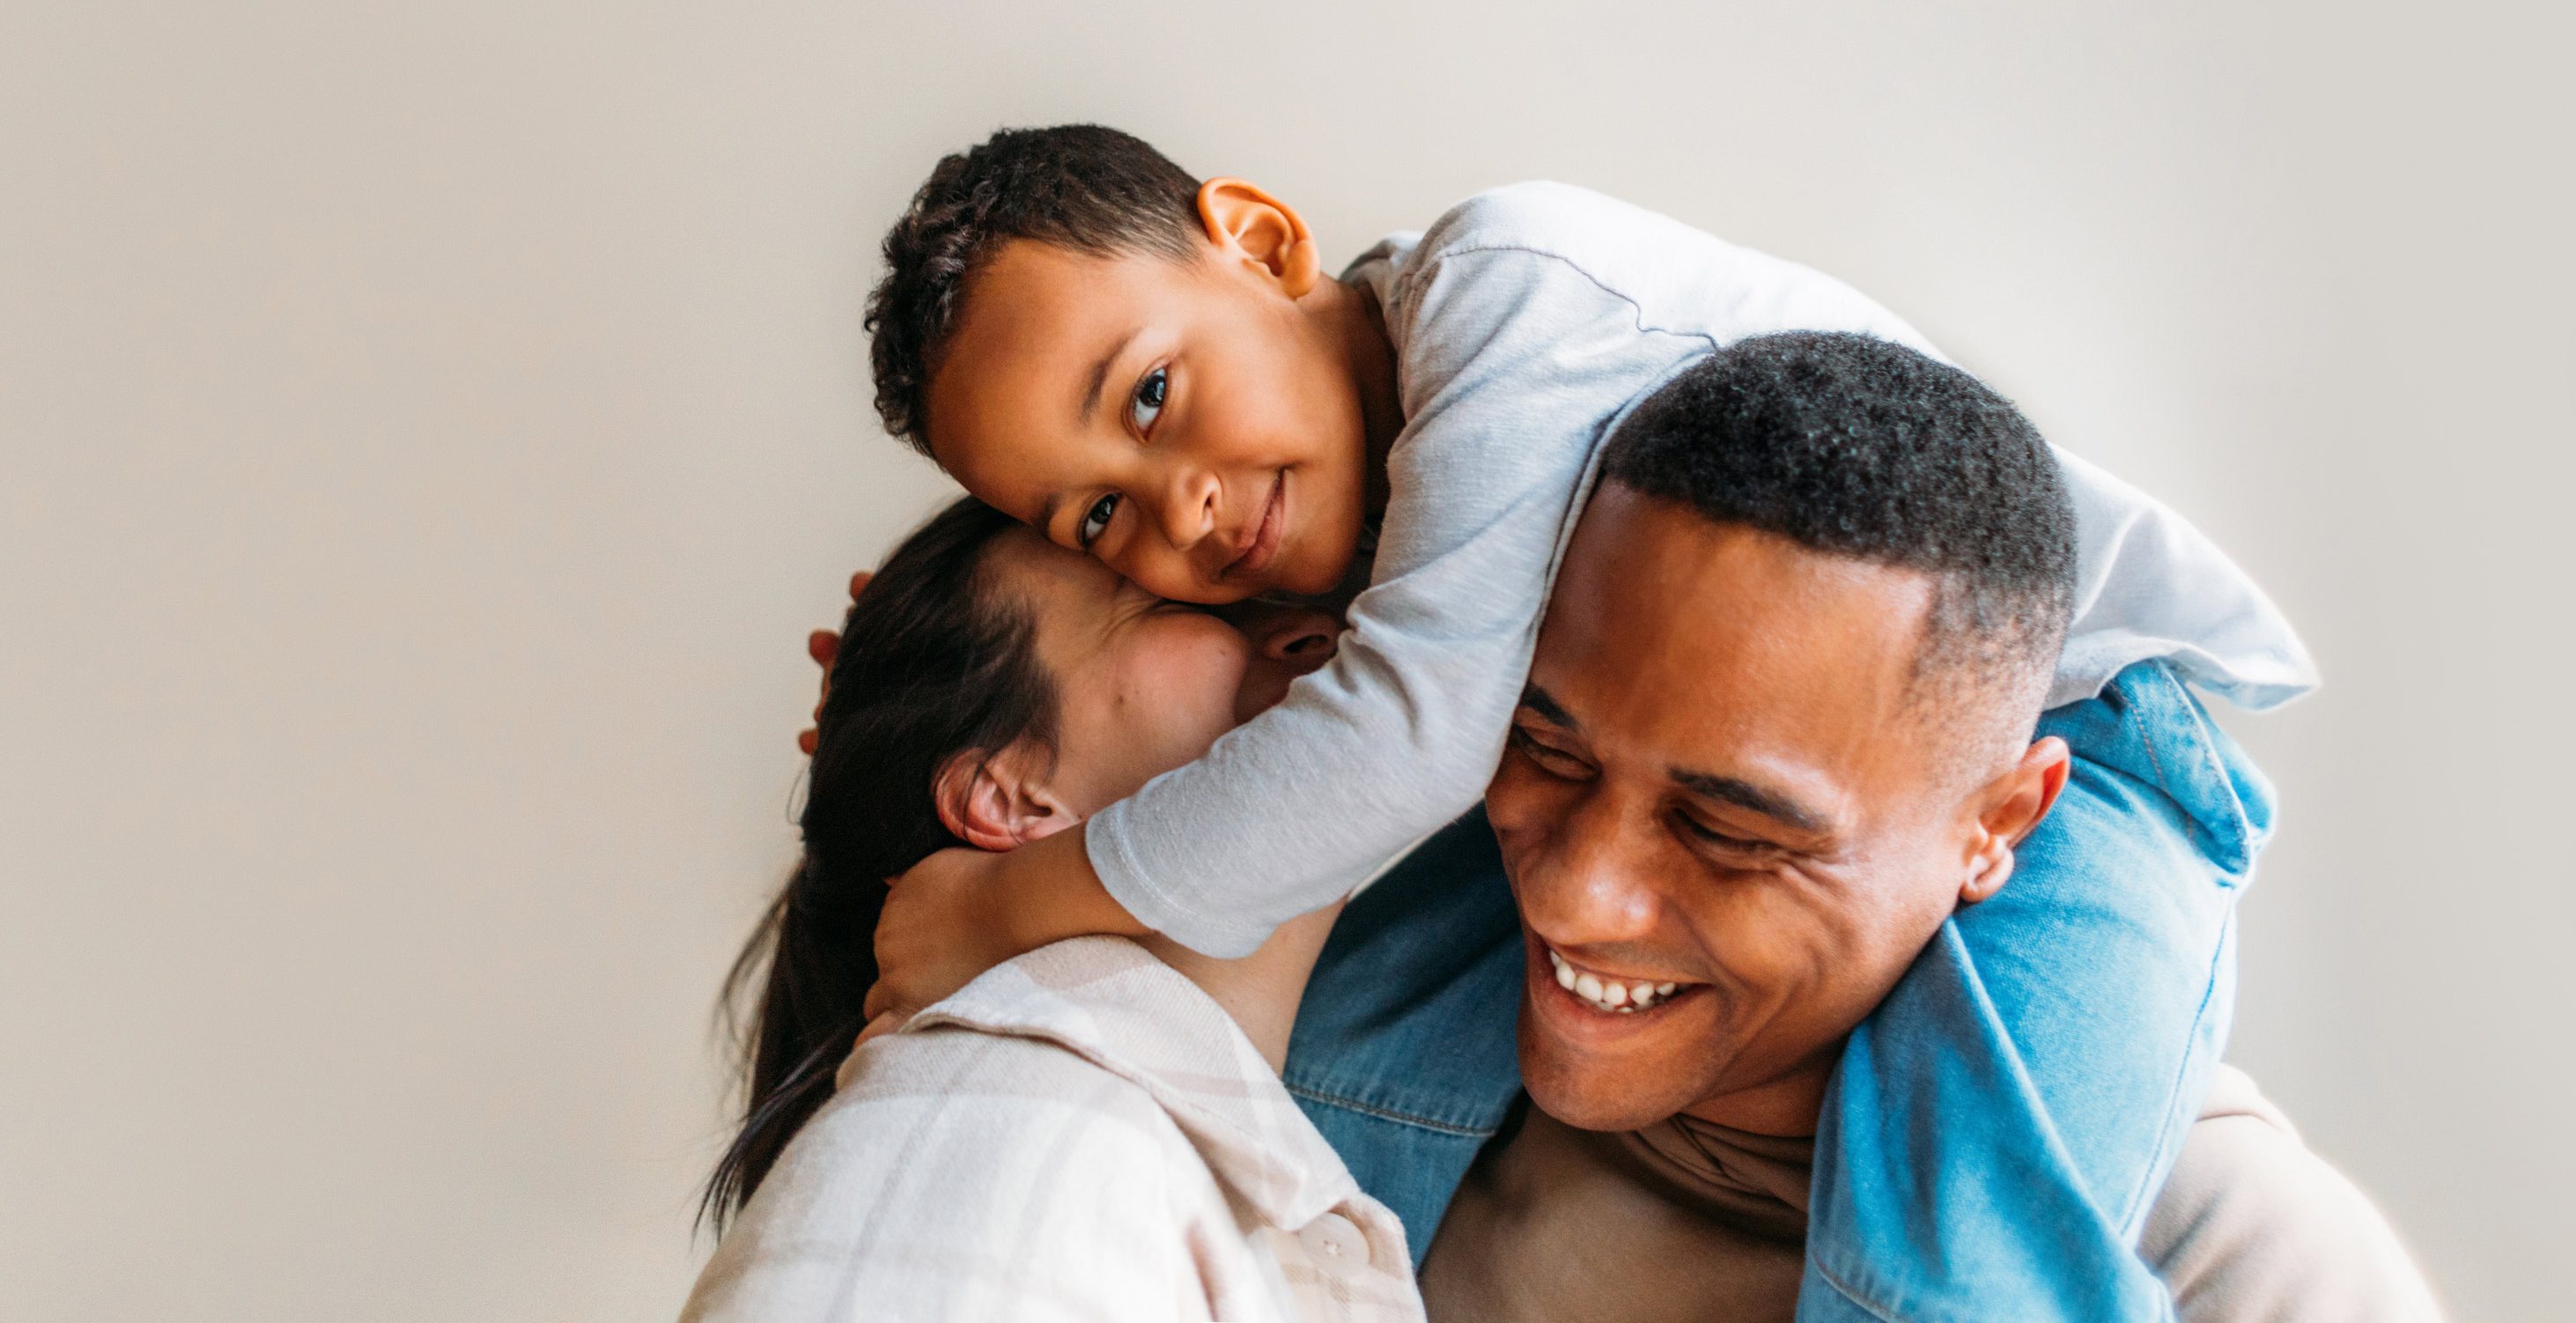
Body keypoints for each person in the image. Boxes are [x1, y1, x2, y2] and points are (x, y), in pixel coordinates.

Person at [850, 124, 2314, 1318]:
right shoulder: (1320, 502)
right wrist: (908, 692)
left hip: (2084, 731)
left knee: (1958, 1261)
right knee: (1321, 1077)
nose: (1184, 507)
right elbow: (1300, 713)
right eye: (1098, 518)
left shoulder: (1508, 299)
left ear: (1263, 238)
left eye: (1155, 395)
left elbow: (1392, 740)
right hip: (1678, 795)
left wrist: (1007, 904)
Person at [1415, 334, 2440, 1322]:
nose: (1571, 895)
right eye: (1549, 753)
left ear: (1998, 825)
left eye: (1729, 830)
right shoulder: (1364, 1054)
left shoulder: (2231, 1258)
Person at [684, 498, 1420, 1323]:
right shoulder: (995, 1143)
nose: (1320, 628)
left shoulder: (1146, 1155)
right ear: (1009, 796)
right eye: (1175, 605)